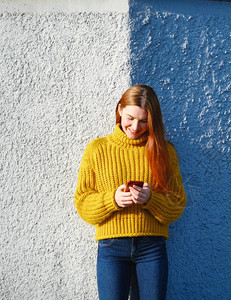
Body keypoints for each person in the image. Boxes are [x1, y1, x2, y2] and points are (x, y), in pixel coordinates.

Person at [74, 85, 186, 300]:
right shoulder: (97, 149)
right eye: (130, 118)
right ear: (119, 109)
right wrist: (112, 199)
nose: (135, 127)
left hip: (151, 248)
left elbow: (177, 204)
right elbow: (82, 202)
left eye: (144, 121)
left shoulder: (165, 151)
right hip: (111, 247)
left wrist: (151, 200)